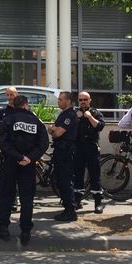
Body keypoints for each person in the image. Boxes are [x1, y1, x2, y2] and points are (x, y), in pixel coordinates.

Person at [0, 95, 49, 245]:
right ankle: (25, 231)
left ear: (15, 105)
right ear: (26, 105)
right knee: (26, 198)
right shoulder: (36, 121)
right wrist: (29, 158)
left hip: (10, 162)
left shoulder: (7, 120)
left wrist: (17, 156)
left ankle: (3, 228)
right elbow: (44, 143)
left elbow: (2, 142)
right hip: (28, 165)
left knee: (5, 195)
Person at [49, 91, 79, 221]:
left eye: (61, 99)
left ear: (68, 101)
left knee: (65, 181)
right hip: (60, 151)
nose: (58, 101)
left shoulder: (70, 115)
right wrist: (53, 130)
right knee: (60, 181)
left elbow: (57, 133)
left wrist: (52, 130)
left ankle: (70, 211)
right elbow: (54, 130)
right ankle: (67, 208)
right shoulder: (63, 114)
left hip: (66, 152)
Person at [74, 91, 106, 213]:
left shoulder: (95, 113)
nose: (82, 102)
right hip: (78, 147)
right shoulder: (75, 113)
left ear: (90, 100)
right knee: (77, 175)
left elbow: (100, 126)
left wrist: (89, 117)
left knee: (95, 175)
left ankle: (98, 203)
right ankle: (77, 201)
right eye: (80, 100)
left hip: (91, 147)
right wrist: (76, 118)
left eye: (85, 99)